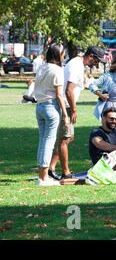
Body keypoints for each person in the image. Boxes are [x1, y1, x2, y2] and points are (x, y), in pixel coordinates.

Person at [48, 46, 106, 180]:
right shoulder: (76, 66)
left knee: (68, 138)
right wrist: (73, 110)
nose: (97, 64)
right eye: (97, 61)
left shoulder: (78, 64)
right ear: (91, 57)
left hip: (66, 105)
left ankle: (51, 167)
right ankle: (66, 173)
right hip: (66, 106)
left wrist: (98, 93)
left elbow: (83, 84)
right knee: (65, 139)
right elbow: (69, 90)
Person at [34, 43, 70, 186]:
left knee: (43, 141)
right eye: (62, 53)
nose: (64, 55)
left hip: (40, 106)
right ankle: (43, 178)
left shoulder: (42, 67)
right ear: (58, 55)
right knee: (48, 142)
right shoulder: (57, 70)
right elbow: (59, 95)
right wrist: (66, 115)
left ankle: (41, 175)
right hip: (51, 107)